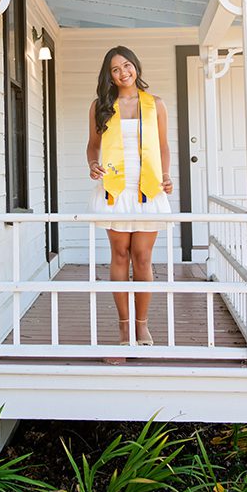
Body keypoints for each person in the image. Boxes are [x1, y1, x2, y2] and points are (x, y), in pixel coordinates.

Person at [86, 46, 173, 350]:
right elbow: (93, 145)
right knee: (120, 255)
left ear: (135, 66)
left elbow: (163, 146)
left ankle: (142, 324)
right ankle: (124, 325)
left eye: (126, 65)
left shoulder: (155, 104)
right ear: (109, 76)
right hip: (116, 187)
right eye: (115, 69)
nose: (123, 73)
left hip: (147, 186)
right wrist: (92, 164)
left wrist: (166, 175)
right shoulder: (101, 106)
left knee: (143, 257)